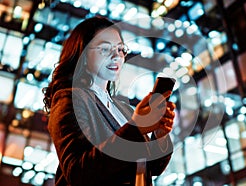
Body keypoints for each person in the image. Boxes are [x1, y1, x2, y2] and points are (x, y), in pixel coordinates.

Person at [43, 16, 176, 186]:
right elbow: (78, 172)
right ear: (82, 54)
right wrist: (136, 127)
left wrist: (159, 135)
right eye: (105, 49)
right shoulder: (70, 99)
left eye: (121, 49)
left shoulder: (125, 110)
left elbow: (152, 167)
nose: (117, 56)